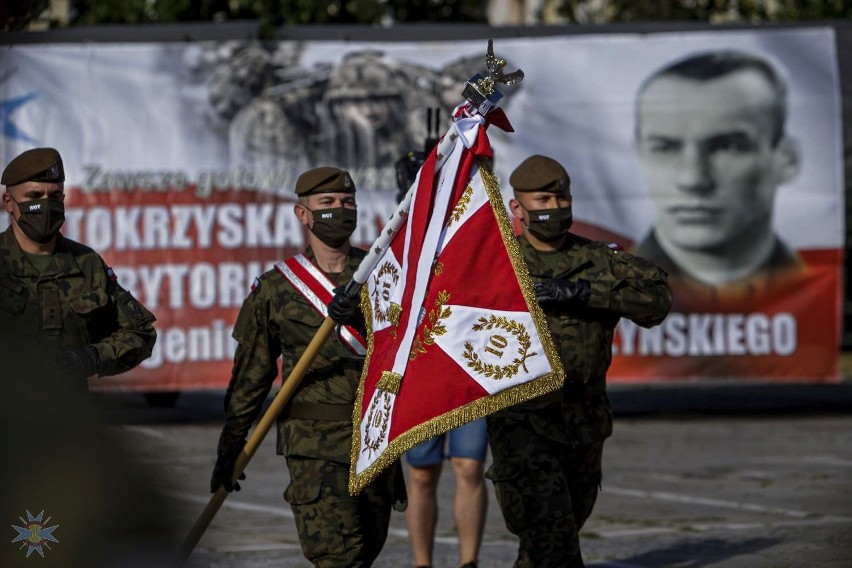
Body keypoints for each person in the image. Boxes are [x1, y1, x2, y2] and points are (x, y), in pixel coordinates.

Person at [486, 154, 672, 567]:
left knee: (553, 538)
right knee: (552, 539)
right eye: (542, 200)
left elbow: (658, 300)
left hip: (585, 423)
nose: (554, 208)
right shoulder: (497, 264)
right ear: (517, 208)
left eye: (561, 198)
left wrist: (586, 293)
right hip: (523, 422)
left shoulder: (597, 260)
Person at [210, 166, 400, 567]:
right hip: (315, 448)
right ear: (303, 215)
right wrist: (232, 441)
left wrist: (362, 320)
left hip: (375, 440)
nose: (339, 210)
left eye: (347, 203)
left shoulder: (385, 275)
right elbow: (252, 374)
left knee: (365, 554)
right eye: (327, 204)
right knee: (338, 559)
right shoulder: (278, 288)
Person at [632, 50, 804, 303]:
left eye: (727, 146)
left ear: (786, 159)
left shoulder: (816, 285)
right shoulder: (607, 295)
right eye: (665, 148)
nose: (692, 179)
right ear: (639, 154)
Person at [0, 147, 157, 388]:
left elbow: (140, 333)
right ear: (9, 202)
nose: (45, 205)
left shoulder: (87, 264)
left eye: (54, 196)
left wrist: (91, 358)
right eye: (34, 196)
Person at [404, 416, 488, 568]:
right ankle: (422, 563)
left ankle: (469, 562)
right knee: (421, 473)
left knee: (469, 466)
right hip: (421, 393)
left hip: (469, 393)